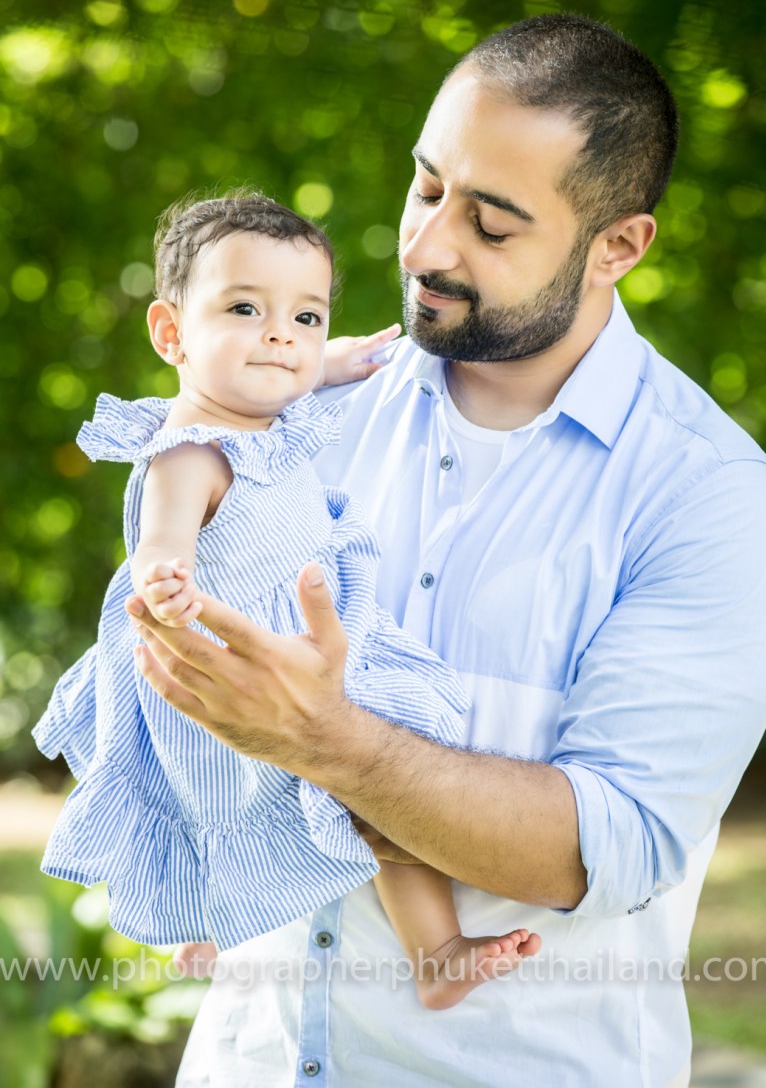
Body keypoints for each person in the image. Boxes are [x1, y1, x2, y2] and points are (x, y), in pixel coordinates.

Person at [128, 15, 766, 1087]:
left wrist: (330, 740)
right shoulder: (306, 411)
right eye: (427, 188)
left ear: (616, 244)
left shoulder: (709, 500)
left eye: (492, 223)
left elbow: (602, 845)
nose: (429, 246)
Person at [33, 192, 539, 1009]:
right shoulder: (187, 453)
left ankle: (431, 951)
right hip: (246, 670)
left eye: (305, 316)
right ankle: (239, 925)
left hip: (315, 651)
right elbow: (160, 545)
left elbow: (302, 361)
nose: (282, 336)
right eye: (245, 308)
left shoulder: (272, 409)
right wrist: (165, 575)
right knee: (273, 807)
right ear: (171, 334)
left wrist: (333, 359)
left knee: (391, 793)